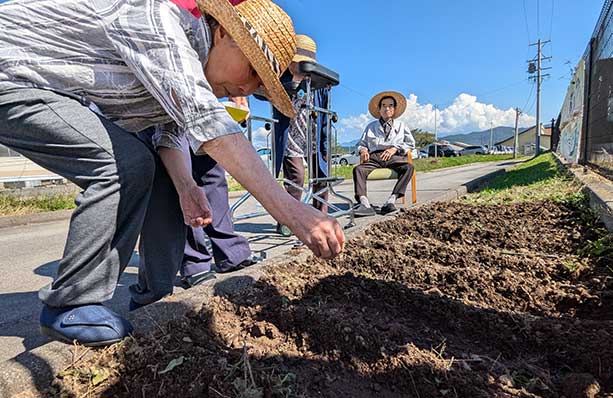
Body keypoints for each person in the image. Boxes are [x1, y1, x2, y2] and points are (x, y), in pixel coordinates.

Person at [0, 0, 345, 346]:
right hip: (12, 71)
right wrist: (294, 212)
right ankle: (71, 303)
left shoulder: (188, 66)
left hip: (44, 90)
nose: (246, 89)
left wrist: (186, 186)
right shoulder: (162, 22)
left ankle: (154, 302)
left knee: (155, 172)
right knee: (122, 164)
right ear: (223, 33)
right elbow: (210, 125)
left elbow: (168, 133)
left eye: (257, 87)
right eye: (252, 71)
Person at [281, 34, 329, 217]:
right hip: (291, 138)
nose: (297, 66)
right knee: (296, 177)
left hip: (312, 137)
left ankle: (320, 214)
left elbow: (323, 117)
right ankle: (290, 218)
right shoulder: (282, 81)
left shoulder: (319, 84)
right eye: (295, 62)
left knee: (320, 176)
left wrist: (324, 143)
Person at [353, 91, 416, 217]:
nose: (387, 108)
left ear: (394, 109)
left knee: (409, 168)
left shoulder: (401, 125)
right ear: (379, 109)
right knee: (358, 169)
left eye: (390, 105)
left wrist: (395, 149)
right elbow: (361, 144)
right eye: (384, 105)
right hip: (374, 157)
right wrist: (363, 150)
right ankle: (364, 204)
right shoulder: (371, 126)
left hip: (393, 157)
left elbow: (411, 144)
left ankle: (390, 201)